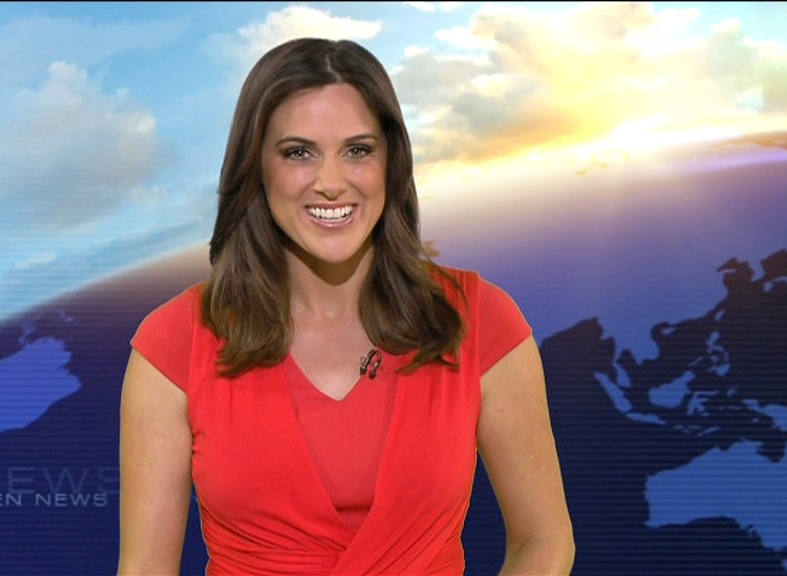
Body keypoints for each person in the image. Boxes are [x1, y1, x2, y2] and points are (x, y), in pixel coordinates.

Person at [117, 37, 575, 575]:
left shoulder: (479, 321)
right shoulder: (175, 342)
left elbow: (544, 540)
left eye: (358, 150)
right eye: (298, 152)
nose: (331, 183)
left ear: (391, 162)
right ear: (256, 167)